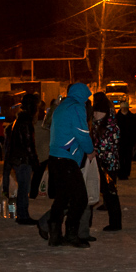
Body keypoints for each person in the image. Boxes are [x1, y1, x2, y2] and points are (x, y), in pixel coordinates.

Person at [47, 83, 96, 247]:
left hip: (55, 157)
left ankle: (54, 235)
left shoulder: (61, 107)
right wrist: (90, 150)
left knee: (62, 197)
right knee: (80, 198)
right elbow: (82, 133)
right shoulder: (76, 107)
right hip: (66, 158)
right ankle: (71, 234)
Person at [4, 93, 40, 224]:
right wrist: (34, 160)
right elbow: (29, 143)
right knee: (24, 188)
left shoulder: (19, 120)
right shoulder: (25, 122)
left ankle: (23, 214)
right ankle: (23, 215)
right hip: (22, 159)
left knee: (23, 188)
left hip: (18, 158)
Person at [92, 92, 122, 231]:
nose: (95, 114)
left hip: (108, 164)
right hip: (101, 163)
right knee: (107, 192)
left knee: (111, 193)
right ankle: (114, 221)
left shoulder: (110, 127)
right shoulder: (98, 124)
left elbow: (107, 145)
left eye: (97, 112)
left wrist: (96, 152)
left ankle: (115, 222)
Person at [115, 101, 135, 180]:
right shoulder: (117, 117)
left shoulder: (132, 117)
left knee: (128, 158)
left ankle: (126, 172)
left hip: (129, 141)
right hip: (120, 141)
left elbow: (135, 130)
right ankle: (121, 173)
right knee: (120, 157)